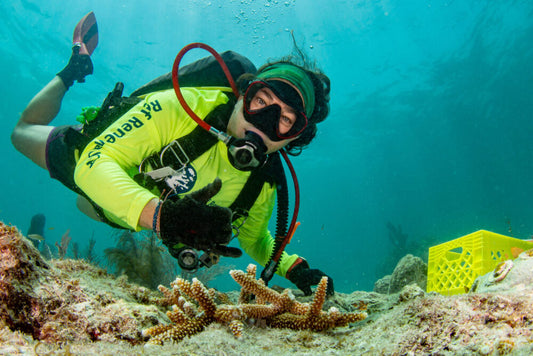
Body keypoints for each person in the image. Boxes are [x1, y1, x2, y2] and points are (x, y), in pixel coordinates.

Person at [11, 13, 333, 296]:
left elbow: (256, 239)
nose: (264, 122)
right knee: (20, 132)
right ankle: (73, 69)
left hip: (120, 211)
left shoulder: (262, 184)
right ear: (241, 95)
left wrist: (294, 268)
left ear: (291, 138)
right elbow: (91, 165)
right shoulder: (182, 106)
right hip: (91, 158)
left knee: (87, 206)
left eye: (285, 120)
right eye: (261, 101)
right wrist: (163, 217)